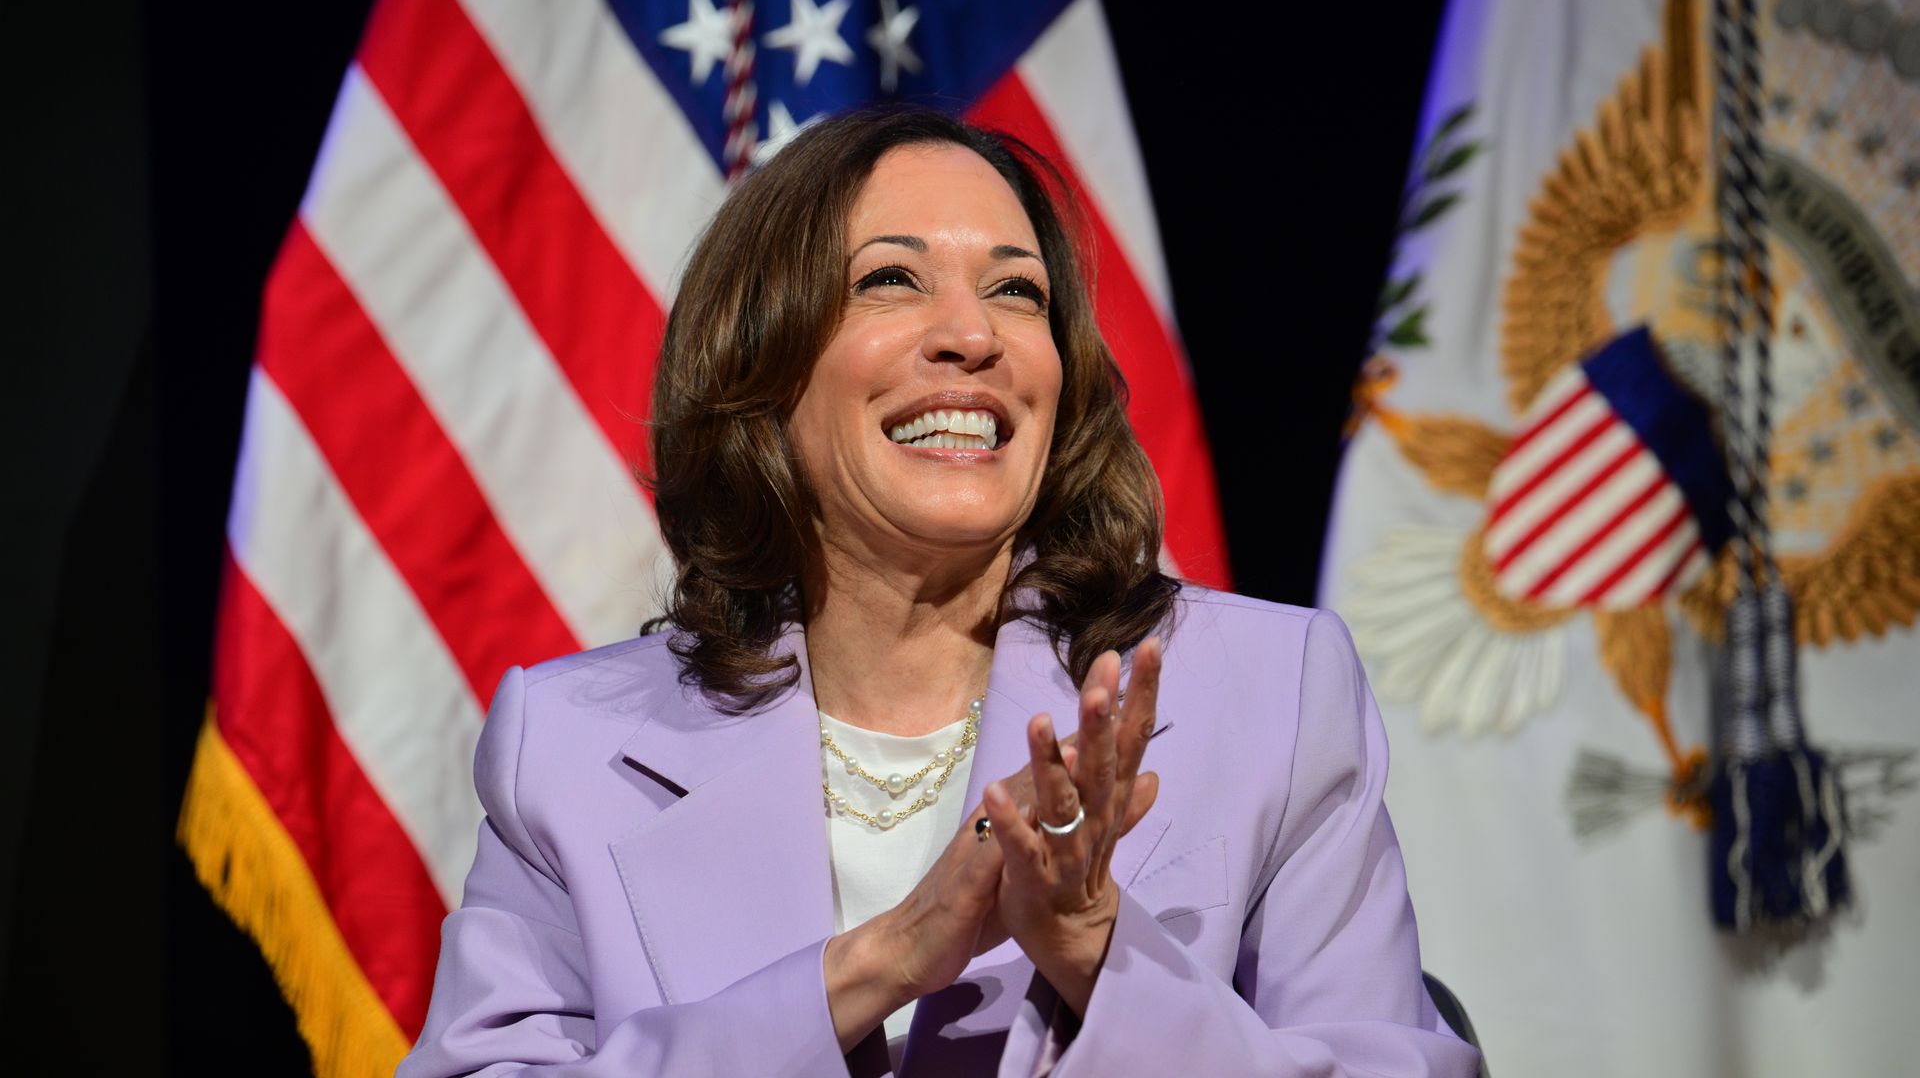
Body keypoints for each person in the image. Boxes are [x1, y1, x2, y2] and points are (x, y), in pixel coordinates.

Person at [398, 106, 1481, 1077]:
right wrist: (869, 969)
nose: (974, 336)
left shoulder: (1268, 697)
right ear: (763, 364)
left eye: (1017, 291)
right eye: (891, 279)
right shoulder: (574, 747)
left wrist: (1098, 950)